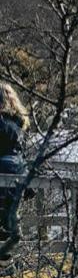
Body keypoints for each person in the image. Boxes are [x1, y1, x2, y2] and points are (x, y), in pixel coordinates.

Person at [0, 83, 28, 258]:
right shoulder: (20, 123)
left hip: (3, 169)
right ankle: (7, 253)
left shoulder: (2, 124)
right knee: (10, 213)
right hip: (18, 172)